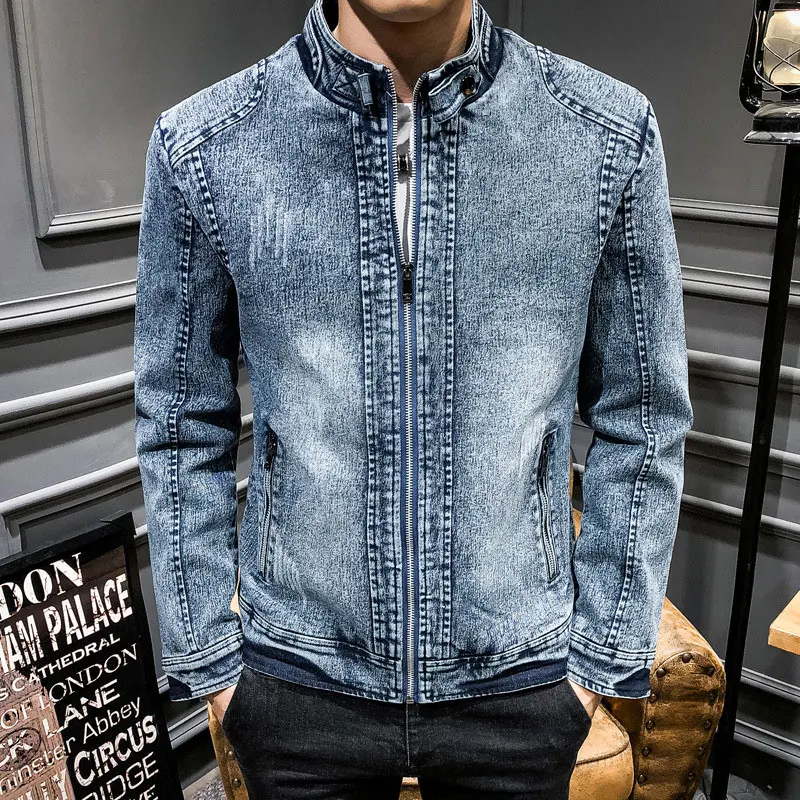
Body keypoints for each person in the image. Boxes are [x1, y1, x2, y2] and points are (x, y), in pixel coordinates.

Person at [133, 0, 693, 797]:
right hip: (296, 680)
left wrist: (596, 660)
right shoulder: (207, 144)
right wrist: (213, 663)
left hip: (520, 681)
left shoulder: (604, 134)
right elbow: (179, 421)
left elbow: (644, 416)